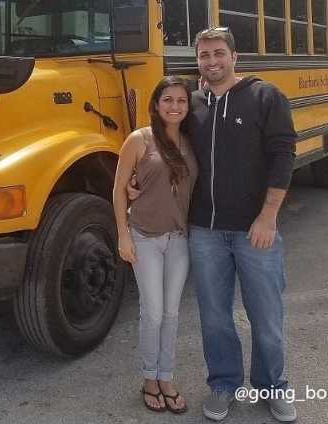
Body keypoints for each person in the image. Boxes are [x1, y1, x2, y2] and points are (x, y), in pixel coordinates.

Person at [129, 28, 298, 422]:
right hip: (204, 231)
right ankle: (222, 385)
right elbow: (167, 144)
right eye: (204, 55)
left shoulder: (264, 97)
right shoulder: (195, 104)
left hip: (255, 229)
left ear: (234, 56)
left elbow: (283, 155)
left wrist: (268, 216)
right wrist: (137, 180)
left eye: (219, 53)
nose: (211, 61)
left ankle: (273, 387)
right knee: (215, 316)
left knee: (266, 315)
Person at [112, 76, 199, 415]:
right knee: (152, 312)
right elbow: (119, 189)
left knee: (172, 313)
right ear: (156, 104)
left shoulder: (191, 141)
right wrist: (123, 235)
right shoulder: (139, 139)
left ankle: (166, 376)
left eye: (181, 100)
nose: (175, 106)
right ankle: (149, 378)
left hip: (179, 239)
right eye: (168, 100)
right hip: (145, 237)